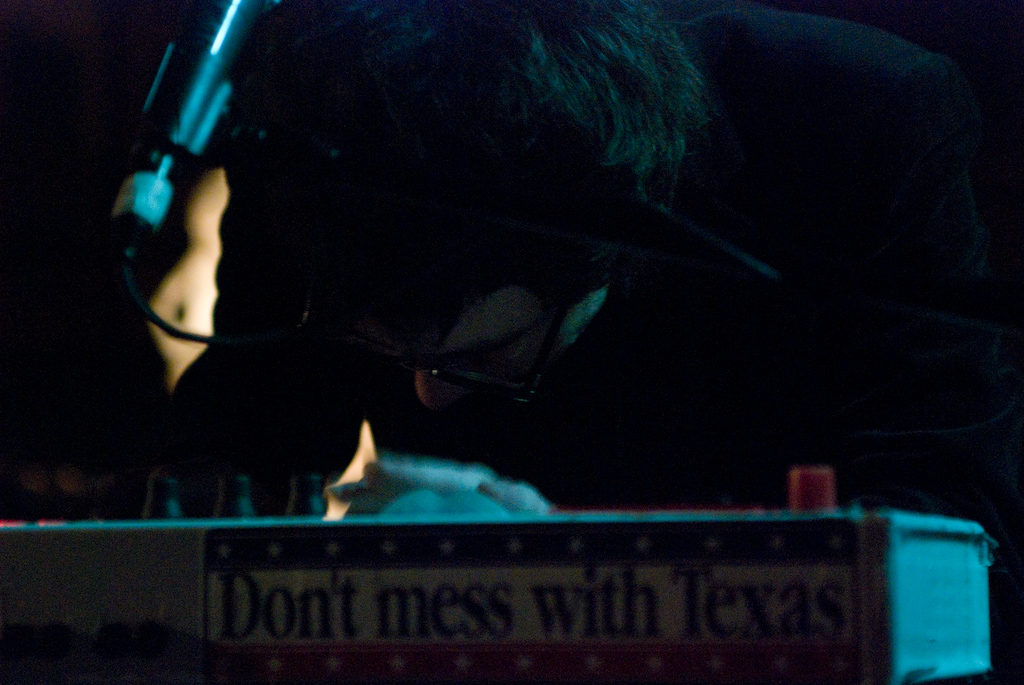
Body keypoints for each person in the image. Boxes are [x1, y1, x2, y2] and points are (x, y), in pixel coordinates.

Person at [162, 0, 1023, 678]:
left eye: (484, 358)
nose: (428, 397)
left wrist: (592, 578)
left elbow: (959, 542)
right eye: (390, 355)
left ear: (607, 249)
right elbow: (237, 448)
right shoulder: (314, 134)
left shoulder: (860, 120)